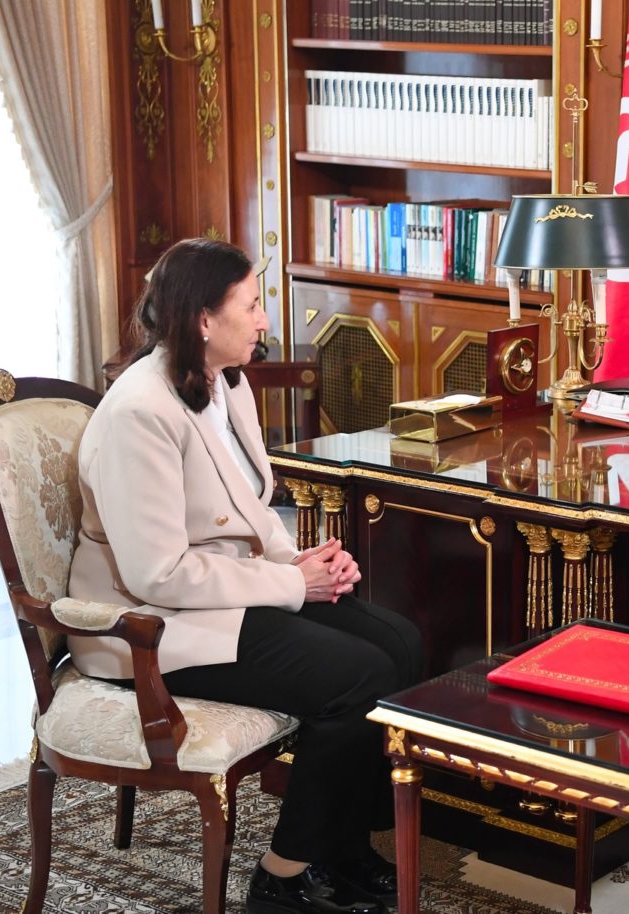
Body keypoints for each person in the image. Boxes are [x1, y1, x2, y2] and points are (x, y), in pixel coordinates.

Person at [67, 239, 422, 914]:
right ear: (204, 319)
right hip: (150, 626)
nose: (264, 320)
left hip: (219, 595)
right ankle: (282, 876)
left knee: (402, 643)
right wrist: (292, 586)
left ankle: (343, 849)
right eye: (253, 305)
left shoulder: (227, 381)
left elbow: (251, 510)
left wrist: (302, 564)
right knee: (358, 677)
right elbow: (157, 573)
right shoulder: (139, 413)